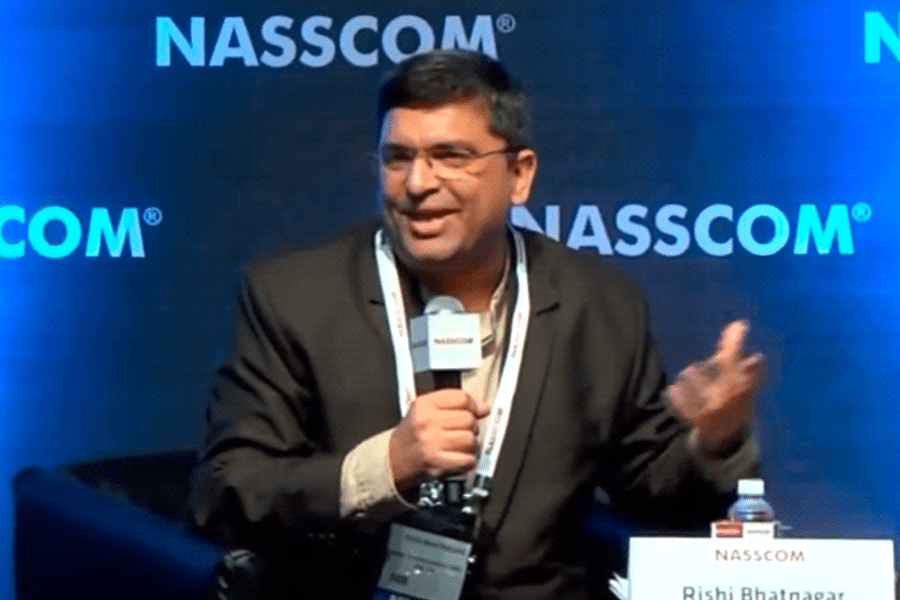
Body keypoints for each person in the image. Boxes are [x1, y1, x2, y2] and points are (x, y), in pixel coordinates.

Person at [190, 49, 763, 600]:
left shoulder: (599, 304)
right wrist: (384, 465)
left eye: (450, 156)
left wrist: (713, 440)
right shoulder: (291, 296)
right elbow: (226, 492)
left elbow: (656, 498)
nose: (417, 184)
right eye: (397, 158)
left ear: (520, 174)